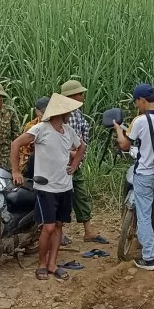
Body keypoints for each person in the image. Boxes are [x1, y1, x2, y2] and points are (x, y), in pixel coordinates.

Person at [11, 94, 86, 281]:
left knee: (59, 225)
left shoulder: (68, 131)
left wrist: (75, 164)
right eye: (67, 111)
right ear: (61, 113)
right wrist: (15, 172)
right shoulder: (41, 129)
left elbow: (82, 147)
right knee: (49, 227)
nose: (70, 114)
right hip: (46, 188)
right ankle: (41, 264)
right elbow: (16, 144)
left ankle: (53, 263)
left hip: (64, 186)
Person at [112, 84, 154, 271]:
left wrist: (118, 129)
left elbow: (125, 145)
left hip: (144, 174)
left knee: (144, 214)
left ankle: (149, 258)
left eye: (136, 102)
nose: (136, 106)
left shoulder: (139, 121)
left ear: (141, 100)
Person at [59, 79, 107, 244]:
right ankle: (60, 233)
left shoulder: (76, 112)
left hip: (75, 163)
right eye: (79, 94)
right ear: (71, 96)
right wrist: (74, 155)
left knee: (80, 195)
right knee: (64, 197)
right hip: (66, 164)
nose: (82, 96)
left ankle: (88, 231)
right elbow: (69, 141)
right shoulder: (68, 115)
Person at [19, 97, 49, 177]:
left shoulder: (55, 124)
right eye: (42, 111)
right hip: (32, 162)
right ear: (36, 111)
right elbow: (24, 149)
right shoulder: (31, 126)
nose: (45, 114)